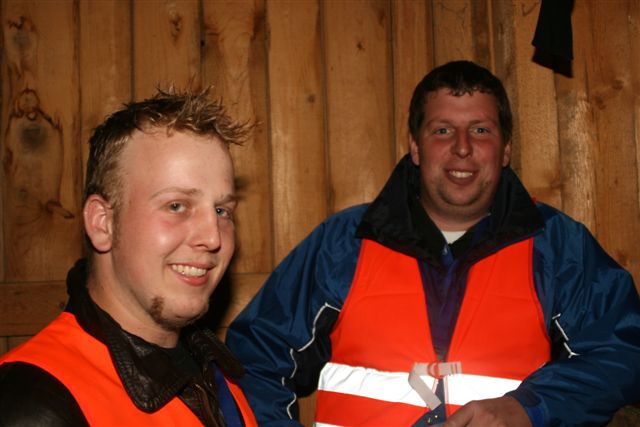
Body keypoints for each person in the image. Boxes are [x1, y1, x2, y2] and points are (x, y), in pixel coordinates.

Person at [226, 60, 640, 427]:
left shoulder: (558, 246)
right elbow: (254, 362)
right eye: (443, 131)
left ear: (506, 150)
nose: (462, 147)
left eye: (480, 130)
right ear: (415, 147)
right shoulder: (344, 243)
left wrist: (530, 409)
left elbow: (622, 353)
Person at [0, 88, 258, 427]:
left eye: (222, 210)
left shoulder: (215, 373)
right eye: (176, 206)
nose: (213, 237)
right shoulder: (33, 403)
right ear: (102, 223)